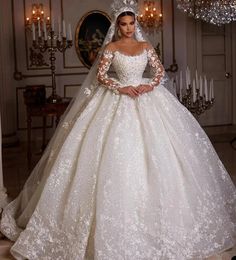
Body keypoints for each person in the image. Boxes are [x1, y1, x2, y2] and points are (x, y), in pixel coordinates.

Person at [0, 0, 236, 259]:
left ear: (136, 24)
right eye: (123, 24)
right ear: (117, 25)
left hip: (147, 98)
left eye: (131, 23)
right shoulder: (111, 47)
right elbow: (101, 75)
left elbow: (158, 73)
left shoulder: (146, 46)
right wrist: (121, 87)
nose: (127, 28)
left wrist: (147, 86)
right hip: (118, 97)